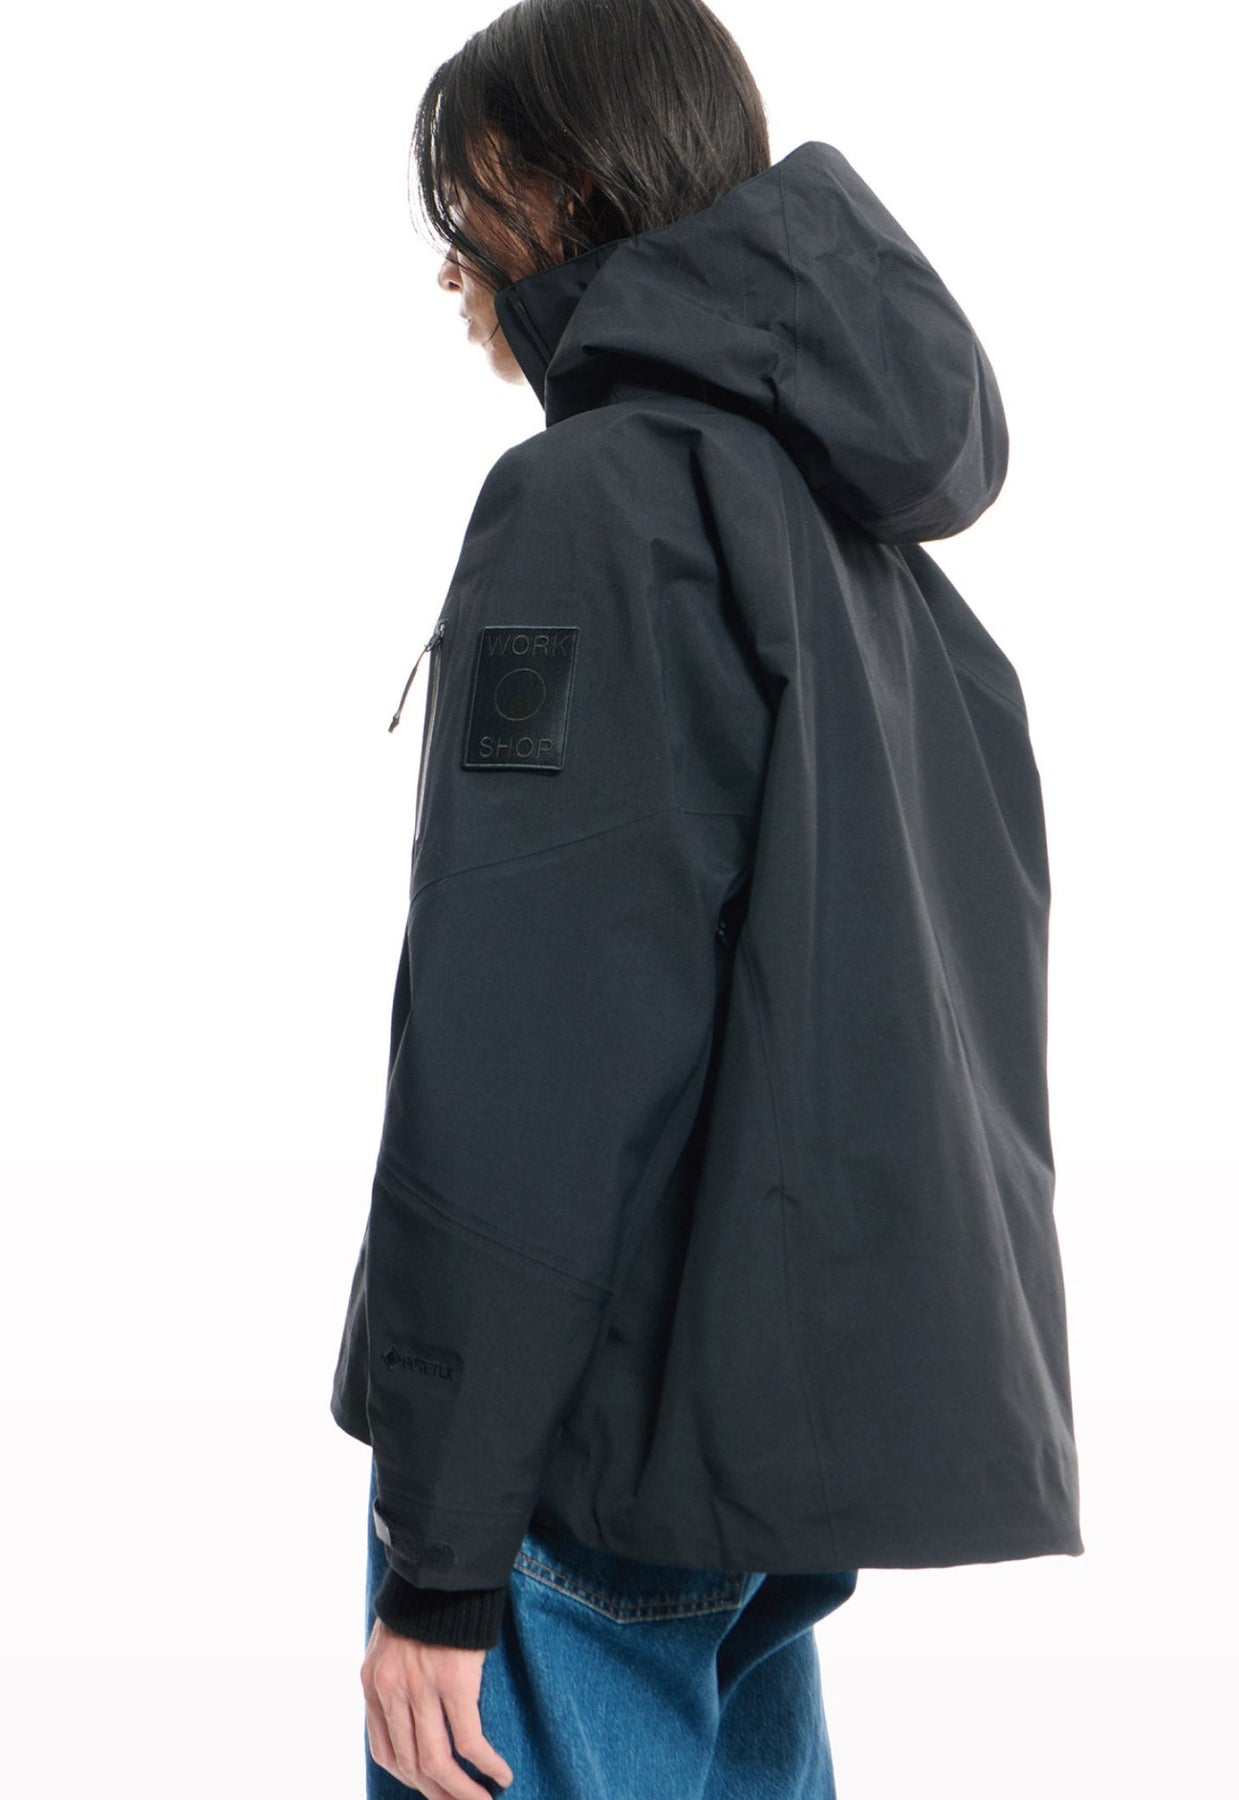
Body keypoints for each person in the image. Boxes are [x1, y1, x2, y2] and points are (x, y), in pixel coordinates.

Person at [329, 2, 1085, 1796]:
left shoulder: (592, 508)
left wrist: (444, 1551)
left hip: (573, 1456)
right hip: (747, 1469)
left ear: (566, 191)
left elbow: (533, 1045)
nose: (452, 265)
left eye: (470, 206)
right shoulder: (846, 533)